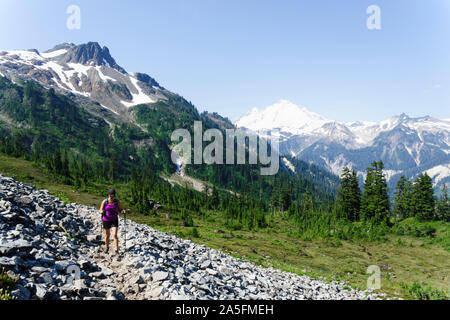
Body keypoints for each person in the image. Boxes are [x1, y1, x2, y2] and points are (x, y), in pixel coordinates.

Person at [99, 189, 126, 254]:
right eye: (111, 196)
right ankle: (107, 247)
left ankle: (116, 250)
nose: (112, 197)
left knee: (115, 235)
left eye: (113, 196)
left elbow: (119, 209)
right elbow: (100, 209)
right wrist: (101, 211)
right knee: (107, 235)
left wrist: (122, 211)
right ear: (108, 195)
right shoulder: (105, 201)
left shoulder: (117, 201)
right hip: (106, 219)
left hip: (114, 219)